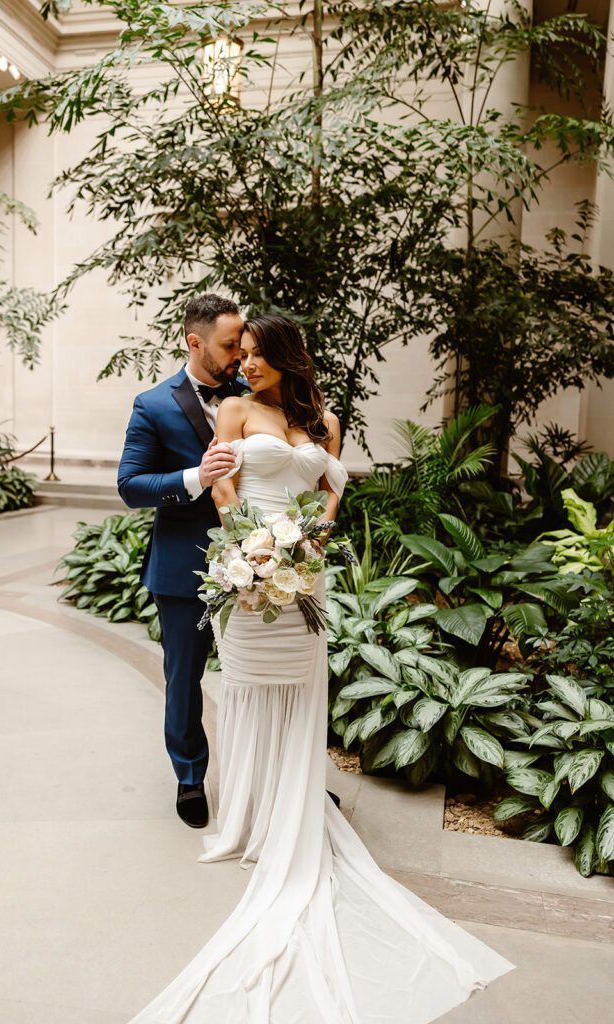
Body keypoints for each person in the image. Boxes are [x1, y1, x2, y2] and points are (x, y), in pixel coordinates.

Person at [126, 314, 513, 1023]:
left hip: (305, 573)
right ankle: (243, 809)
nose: (244, 366)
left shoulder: (326, 421)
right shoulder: (234, 410)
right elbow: (221, 489)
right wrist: (251, 551)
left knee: (303, 689)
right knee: (242, 691)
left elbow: (332, 491)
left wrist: (308, 543)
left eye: (254, 357)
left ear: (283, 358)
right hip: (248, 569)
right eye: (237, 355)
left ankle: (293, 804)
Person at [117, 293, 249, 829]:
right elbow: (130, 486)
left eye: (242, 342)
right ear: (195, 343)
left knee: (260, 677)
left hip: (259, 563)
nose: (241, 353)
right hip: (183, 567)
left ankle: (270, 779)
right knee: (184, 678)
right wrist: (196, 477)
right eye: (229, 344)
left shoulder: (256, 393)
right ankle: (190, 778)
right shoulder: (153, 405)